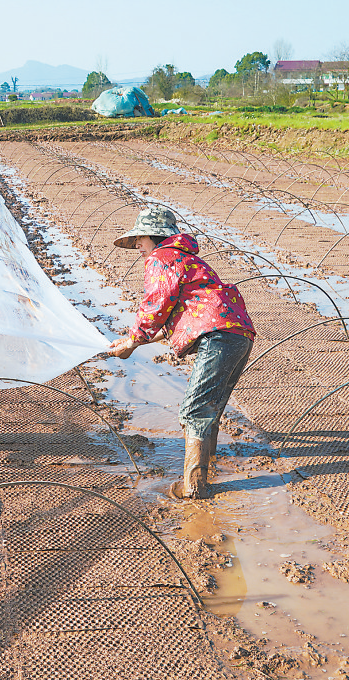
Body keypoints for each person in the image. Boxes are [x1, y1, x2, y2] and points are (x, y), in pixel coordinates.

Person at [108, 205, 256, 499]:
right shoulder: (188, 260)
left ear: (156, 237)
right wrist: (132, 341)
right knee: (209, 408)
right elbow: (182, 317)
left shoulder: (162, 258)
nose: (138, 245)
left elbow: (156, 303)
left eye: (141, 238)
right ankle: (207, 468)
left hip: (217, 337)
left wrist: (134, 339)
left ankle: (194, 487)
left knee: (194, 410)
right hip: (238, 335)